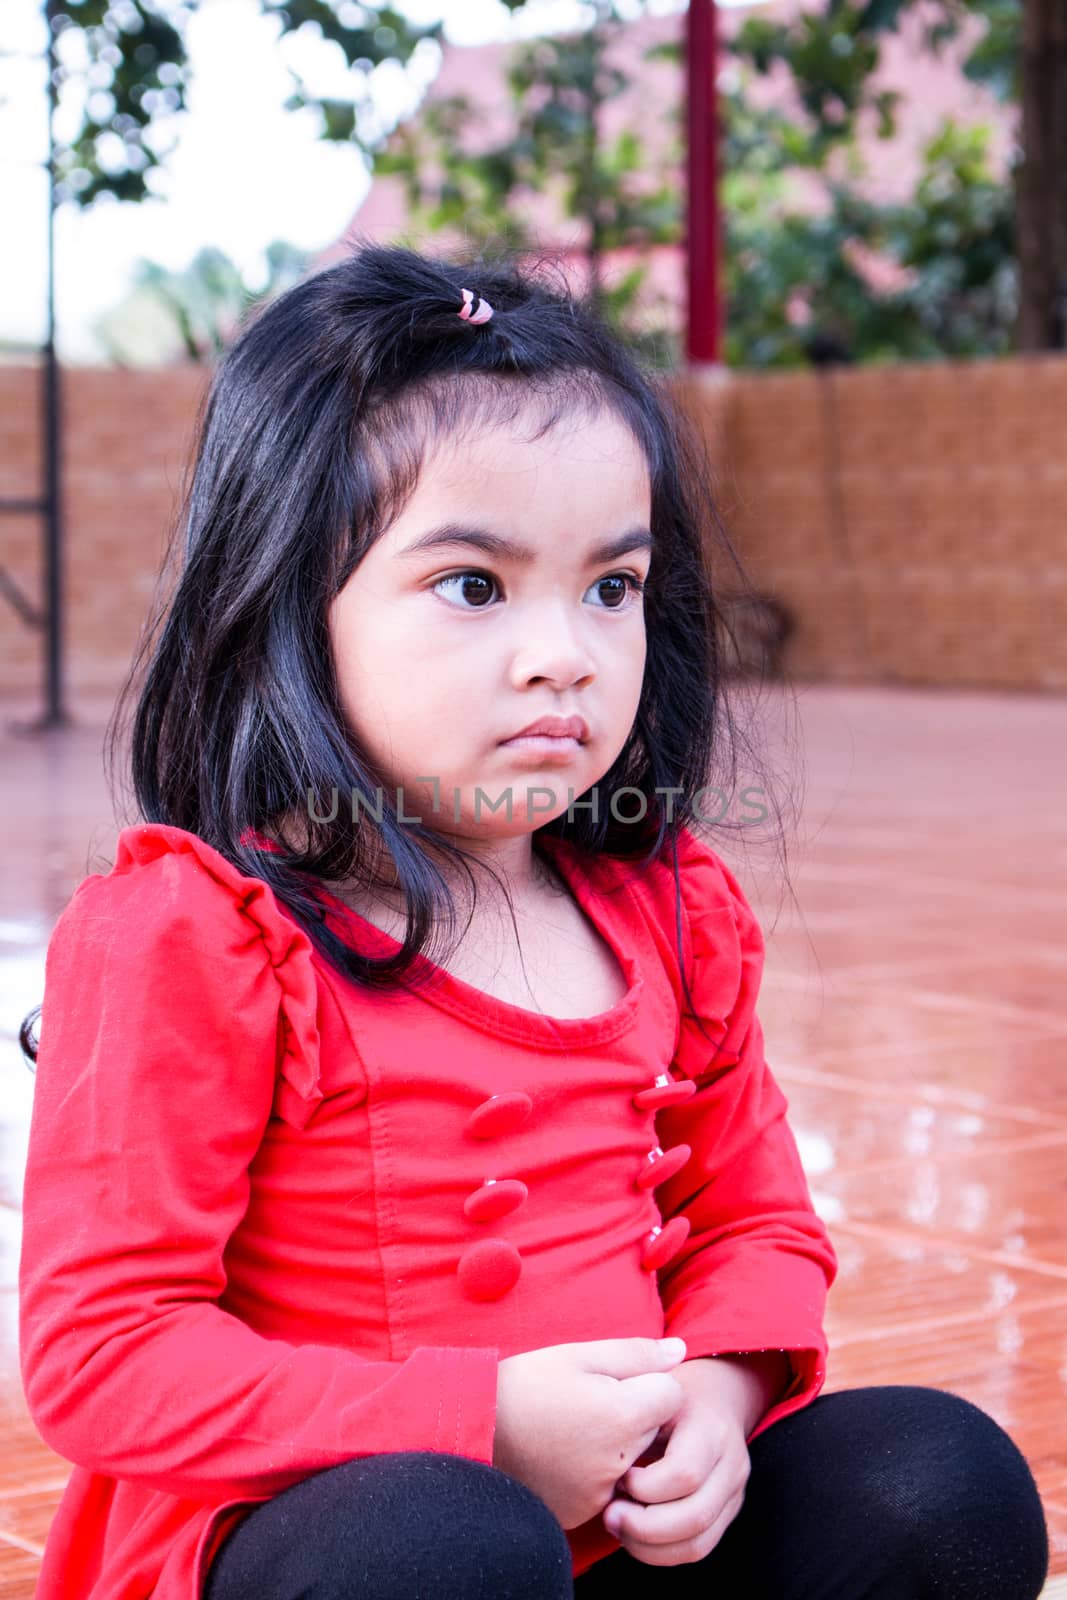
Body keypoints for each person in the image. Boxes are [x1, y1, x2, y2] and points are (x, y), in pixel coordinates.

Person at [17, 243, 1049, 1600]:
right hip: (334, 1538)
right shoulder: (199, 937)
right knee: (448, 1547)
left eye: (610, 588)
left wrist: (725, 1402)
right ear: (286, 605)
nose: (564, 651)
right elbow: (104, 1351)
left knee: (941, 1482)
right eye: (474, 587)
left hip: (611, 1533)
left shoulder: (669, 911)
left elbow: (757, 1223)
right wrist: (480, 1427)